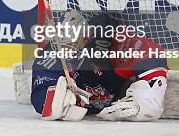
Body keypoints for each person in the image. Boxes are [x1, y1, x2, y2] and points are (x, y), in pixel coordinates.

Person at [31, 12, 168, 122]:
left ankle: (149, 100)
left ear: (84, 38)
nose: (65, 48)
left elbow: (149, 51)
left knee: (146, 50)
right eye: (60, 41)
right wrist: (63, 102)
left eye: (71, 41)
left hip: (116, 88)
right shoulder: (47, 60)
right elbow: (41, 96)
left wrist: (149, 96)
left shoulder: (102, 43)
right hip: (92, 111)